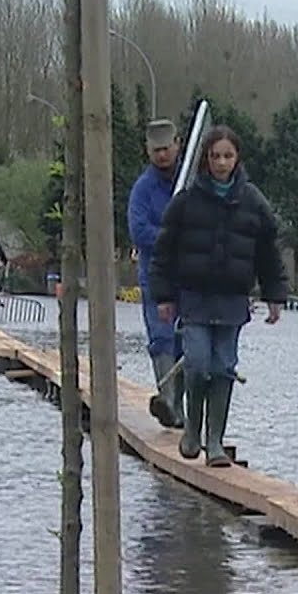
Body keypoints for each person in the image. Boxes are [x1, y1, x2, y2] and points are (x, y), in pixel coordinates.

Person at [149, 125, 289, 467]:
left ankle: (215, 442)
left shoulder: (253, 201)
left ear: (237, 157)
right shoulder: (186, 201)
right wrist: (164, 297)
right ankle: (192, 430)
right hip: (195, 298)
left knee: (224, 366)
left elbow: (269, 252)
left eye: (228, 156)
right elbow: (163, 252)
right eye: (215, 156)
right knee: (197, 363)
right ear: (206, 159)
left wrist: (274, 295)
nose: (222, 163)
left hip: (232, 300)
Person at [128, 118, 185, 429]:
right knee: (161, 339)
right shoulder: (143, 190)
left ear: (177, 144)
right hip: (155, 275)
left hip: (190, 276)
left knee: (188, 342)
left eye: (167, 148)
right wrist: (171, 238)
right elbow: (139, 230)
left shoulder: (190, 182)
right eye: (156, 150)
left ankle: (181, 405)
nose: (162, 155)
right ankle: (170, 404)